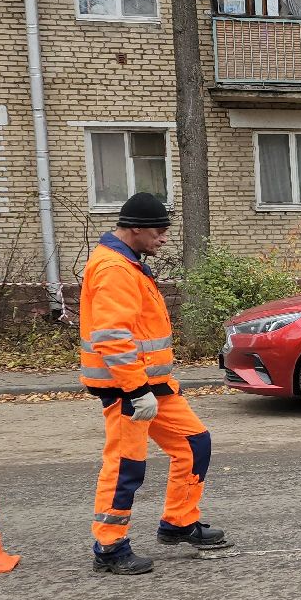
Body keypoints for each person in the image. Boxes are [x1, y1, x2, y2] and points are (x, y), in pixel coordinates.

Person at [78, 193, 229, 574]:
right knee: (125, 466)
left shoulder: (128, 263)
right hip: (128, 389)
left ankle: (179, 522)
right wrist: (135, 389)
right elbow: (112, 337)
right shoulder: (113, 268)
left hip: (153, 385)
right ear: (135, 229)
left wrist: (149, 385)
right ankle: (109, 546)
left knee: (194, 443)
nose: (163, 238)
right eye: (159, 231)